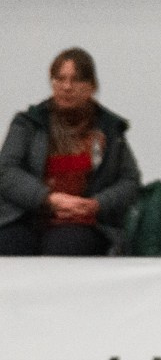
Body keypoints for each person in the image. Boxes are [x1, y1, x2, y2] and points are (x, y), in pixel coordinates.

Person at [0, 48, 141, 256]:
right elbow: (6, 171)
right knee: (9, 245)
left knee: (65, 247)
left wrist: (96, 204)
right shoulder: (29, 123)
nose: (67, 87)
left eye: (76, 80)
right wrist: (47, 199)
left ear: (91, 86)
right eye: (60, 79)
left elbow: (129, 181)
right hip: (26, 216)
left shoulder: (110, 129)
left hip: (84, 222)